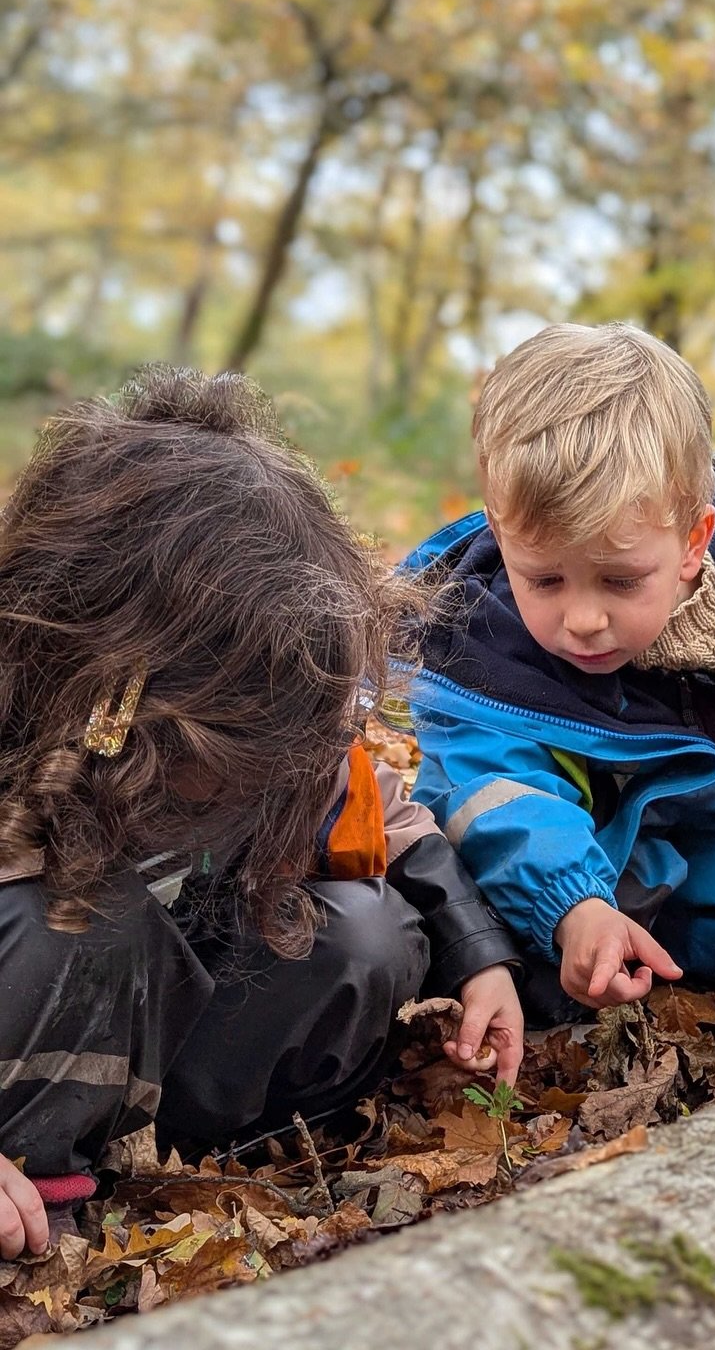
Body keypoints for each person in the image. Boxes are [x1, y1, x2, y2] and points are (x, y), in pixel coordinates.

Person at [0, 368, 523, 1260]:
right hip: (38, 1020)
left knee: (368, 936)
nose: (280, 771)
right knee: (83, 922)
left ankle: (176, 1160)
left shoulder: (286, 719)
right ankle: (40, 1188)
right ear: (119, 692)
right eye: (234, 752)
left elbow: (390, 817)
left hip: (176, 1038)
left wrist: (480, 960)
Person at [406, 323, 715, 1026]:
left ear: (693, 541)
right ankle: (601, 953)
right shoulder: (480, 648)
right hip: (576, 837)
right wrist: (572, 906)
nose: (581, 619)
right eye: (543, 579)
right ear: (499, 530)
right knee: (536, 940)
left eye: (619, 580)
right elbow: (497, 794)